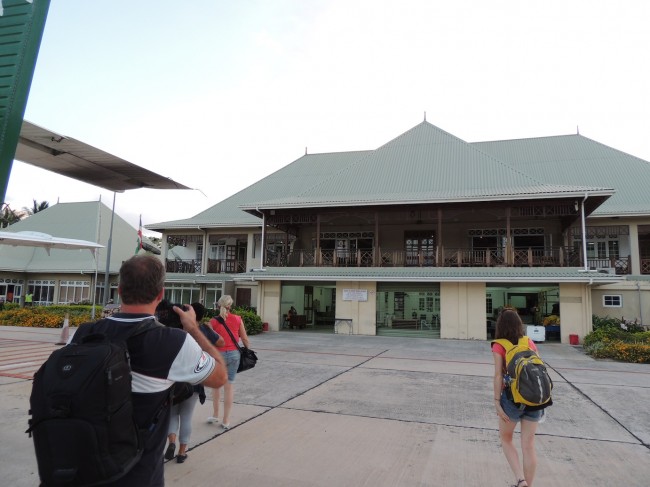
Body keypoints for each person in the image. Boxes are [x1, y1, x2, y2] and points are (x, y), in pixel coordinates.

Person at [72, 255, 227, 486]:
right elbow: (219, 376)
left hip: (81, 469)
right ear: (161, 294)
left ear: (120, 290)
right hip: (137, 475)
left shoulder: (84, 333)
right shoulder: (172, 341)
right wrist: (193, 328)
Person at [165, 302, 225, 464]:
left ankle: (171, 442)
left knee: (172, 414)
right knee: (186, 416)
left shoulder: (175, 331)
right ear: (201, 316)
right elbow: (221, 342)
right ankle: (182, 452)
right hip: (195, 380)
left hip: (175, 380)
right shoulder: (203, 330)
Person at [492, 308, 543, 487]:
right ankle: (528, 484)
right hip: (535, 399)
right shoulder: (528, 342)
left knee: (506, 439)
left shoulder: (499, 345)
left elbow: (498, 375)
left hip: (512, 399)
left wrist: (497, 402)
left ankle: (521, 480)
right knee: (528, 445)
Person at [207, 295, 250, 429]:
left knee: (216, 386)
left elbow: (207, 339)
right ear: (230, 306)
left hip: (218, 355)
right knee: (229, 385)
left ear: (219, 305)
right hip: (234, 355)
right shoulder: (237, 319)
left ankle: (215, 414)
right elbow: (244, 339)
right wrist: (248, 351)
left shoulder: (213, 322)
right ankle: (226, 420)